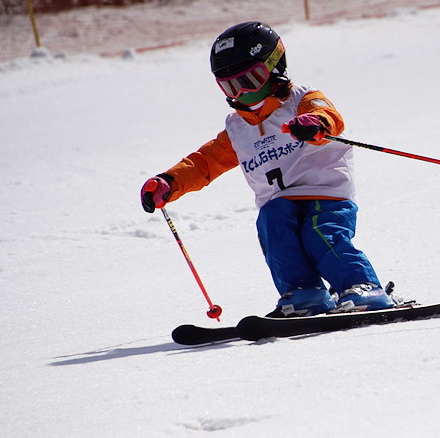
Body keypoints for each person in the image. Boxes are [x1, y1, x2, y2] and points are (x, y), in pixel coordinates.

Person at [140, 21, 394, 317]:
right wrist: (170, 182)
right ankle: (303, 291)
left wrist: (315, 123)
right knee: (273, 230)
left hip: (325, 194)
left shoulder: (302, 99)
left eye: (251, 79)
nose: (242, 92)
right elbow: (204, 162)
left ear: (275, 67)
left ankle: (362, 285)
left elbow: (328, 115)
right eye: (231, 85)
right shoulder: (237, 129)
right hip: (277, 202)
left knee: (319, 234)